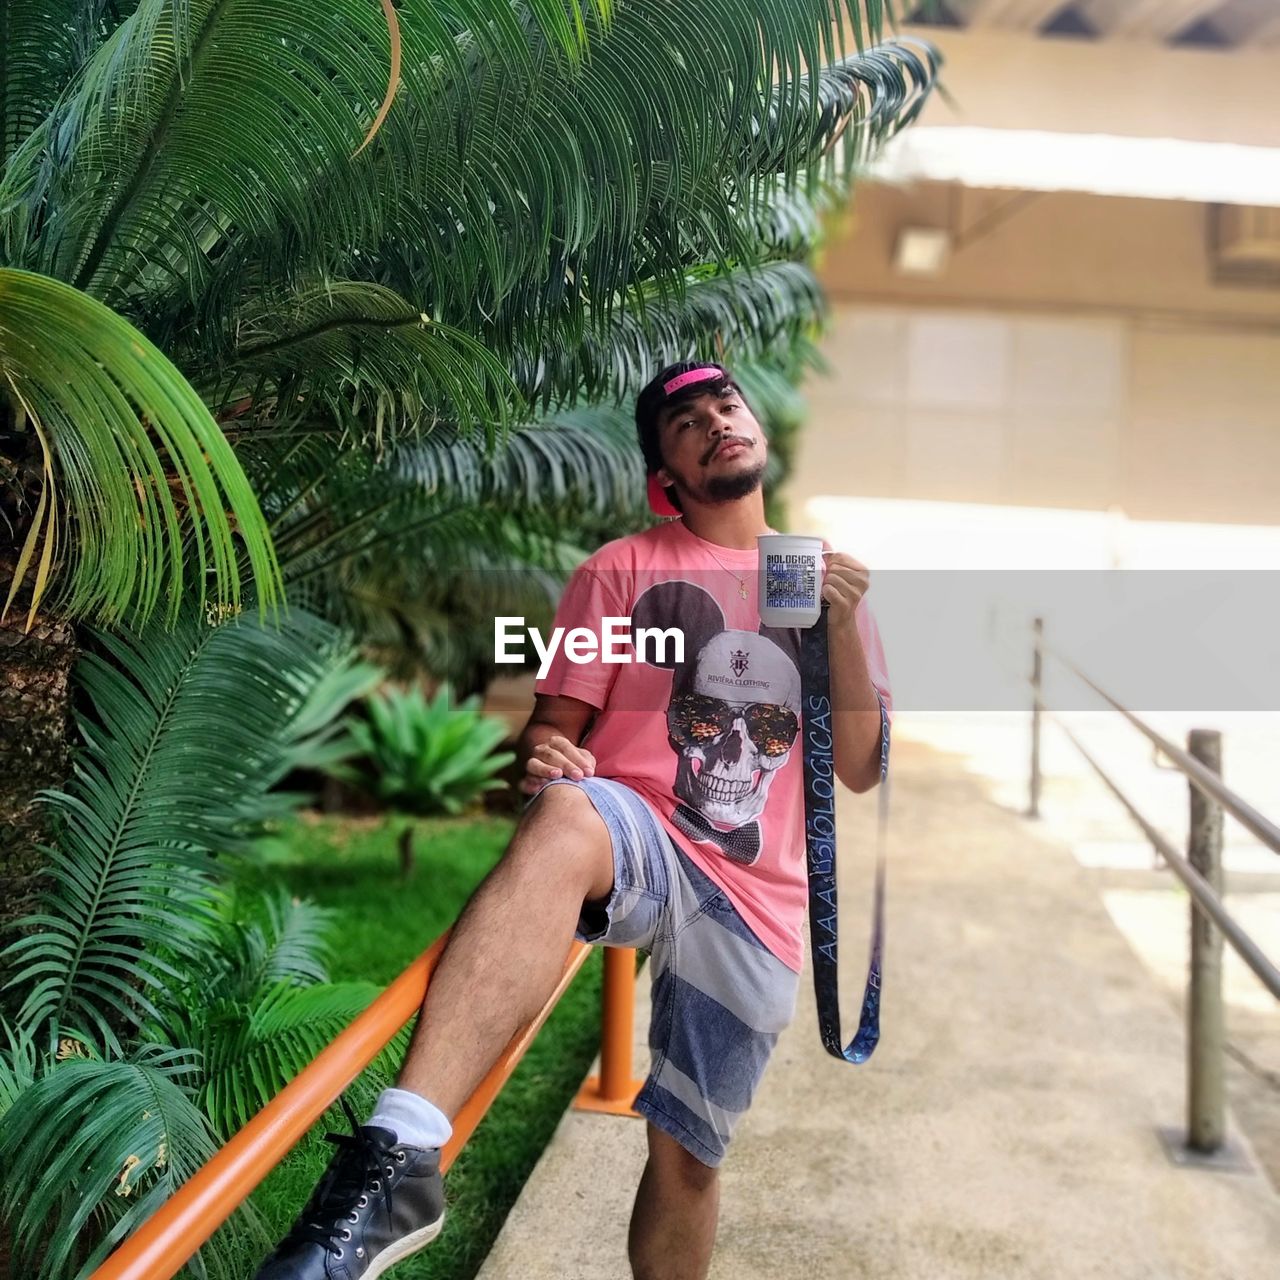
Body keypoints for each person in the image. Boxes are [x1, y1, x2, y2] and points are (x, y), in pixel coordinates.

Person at [254, 361, 893, 1280]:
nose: (715, 420)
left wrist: (839, 626)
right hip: (639, 837)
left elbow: (864, 770)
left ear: (755, 428)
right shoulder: (619, 572)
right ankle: (401, 1152)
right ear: (663, 476)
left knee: (689, 1158)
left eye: (726, 404)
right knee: (564, 813)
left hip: (760, 899)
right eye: (684, 421)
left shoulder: (827, 581)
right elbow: (552, 734)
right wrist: (550, 761)